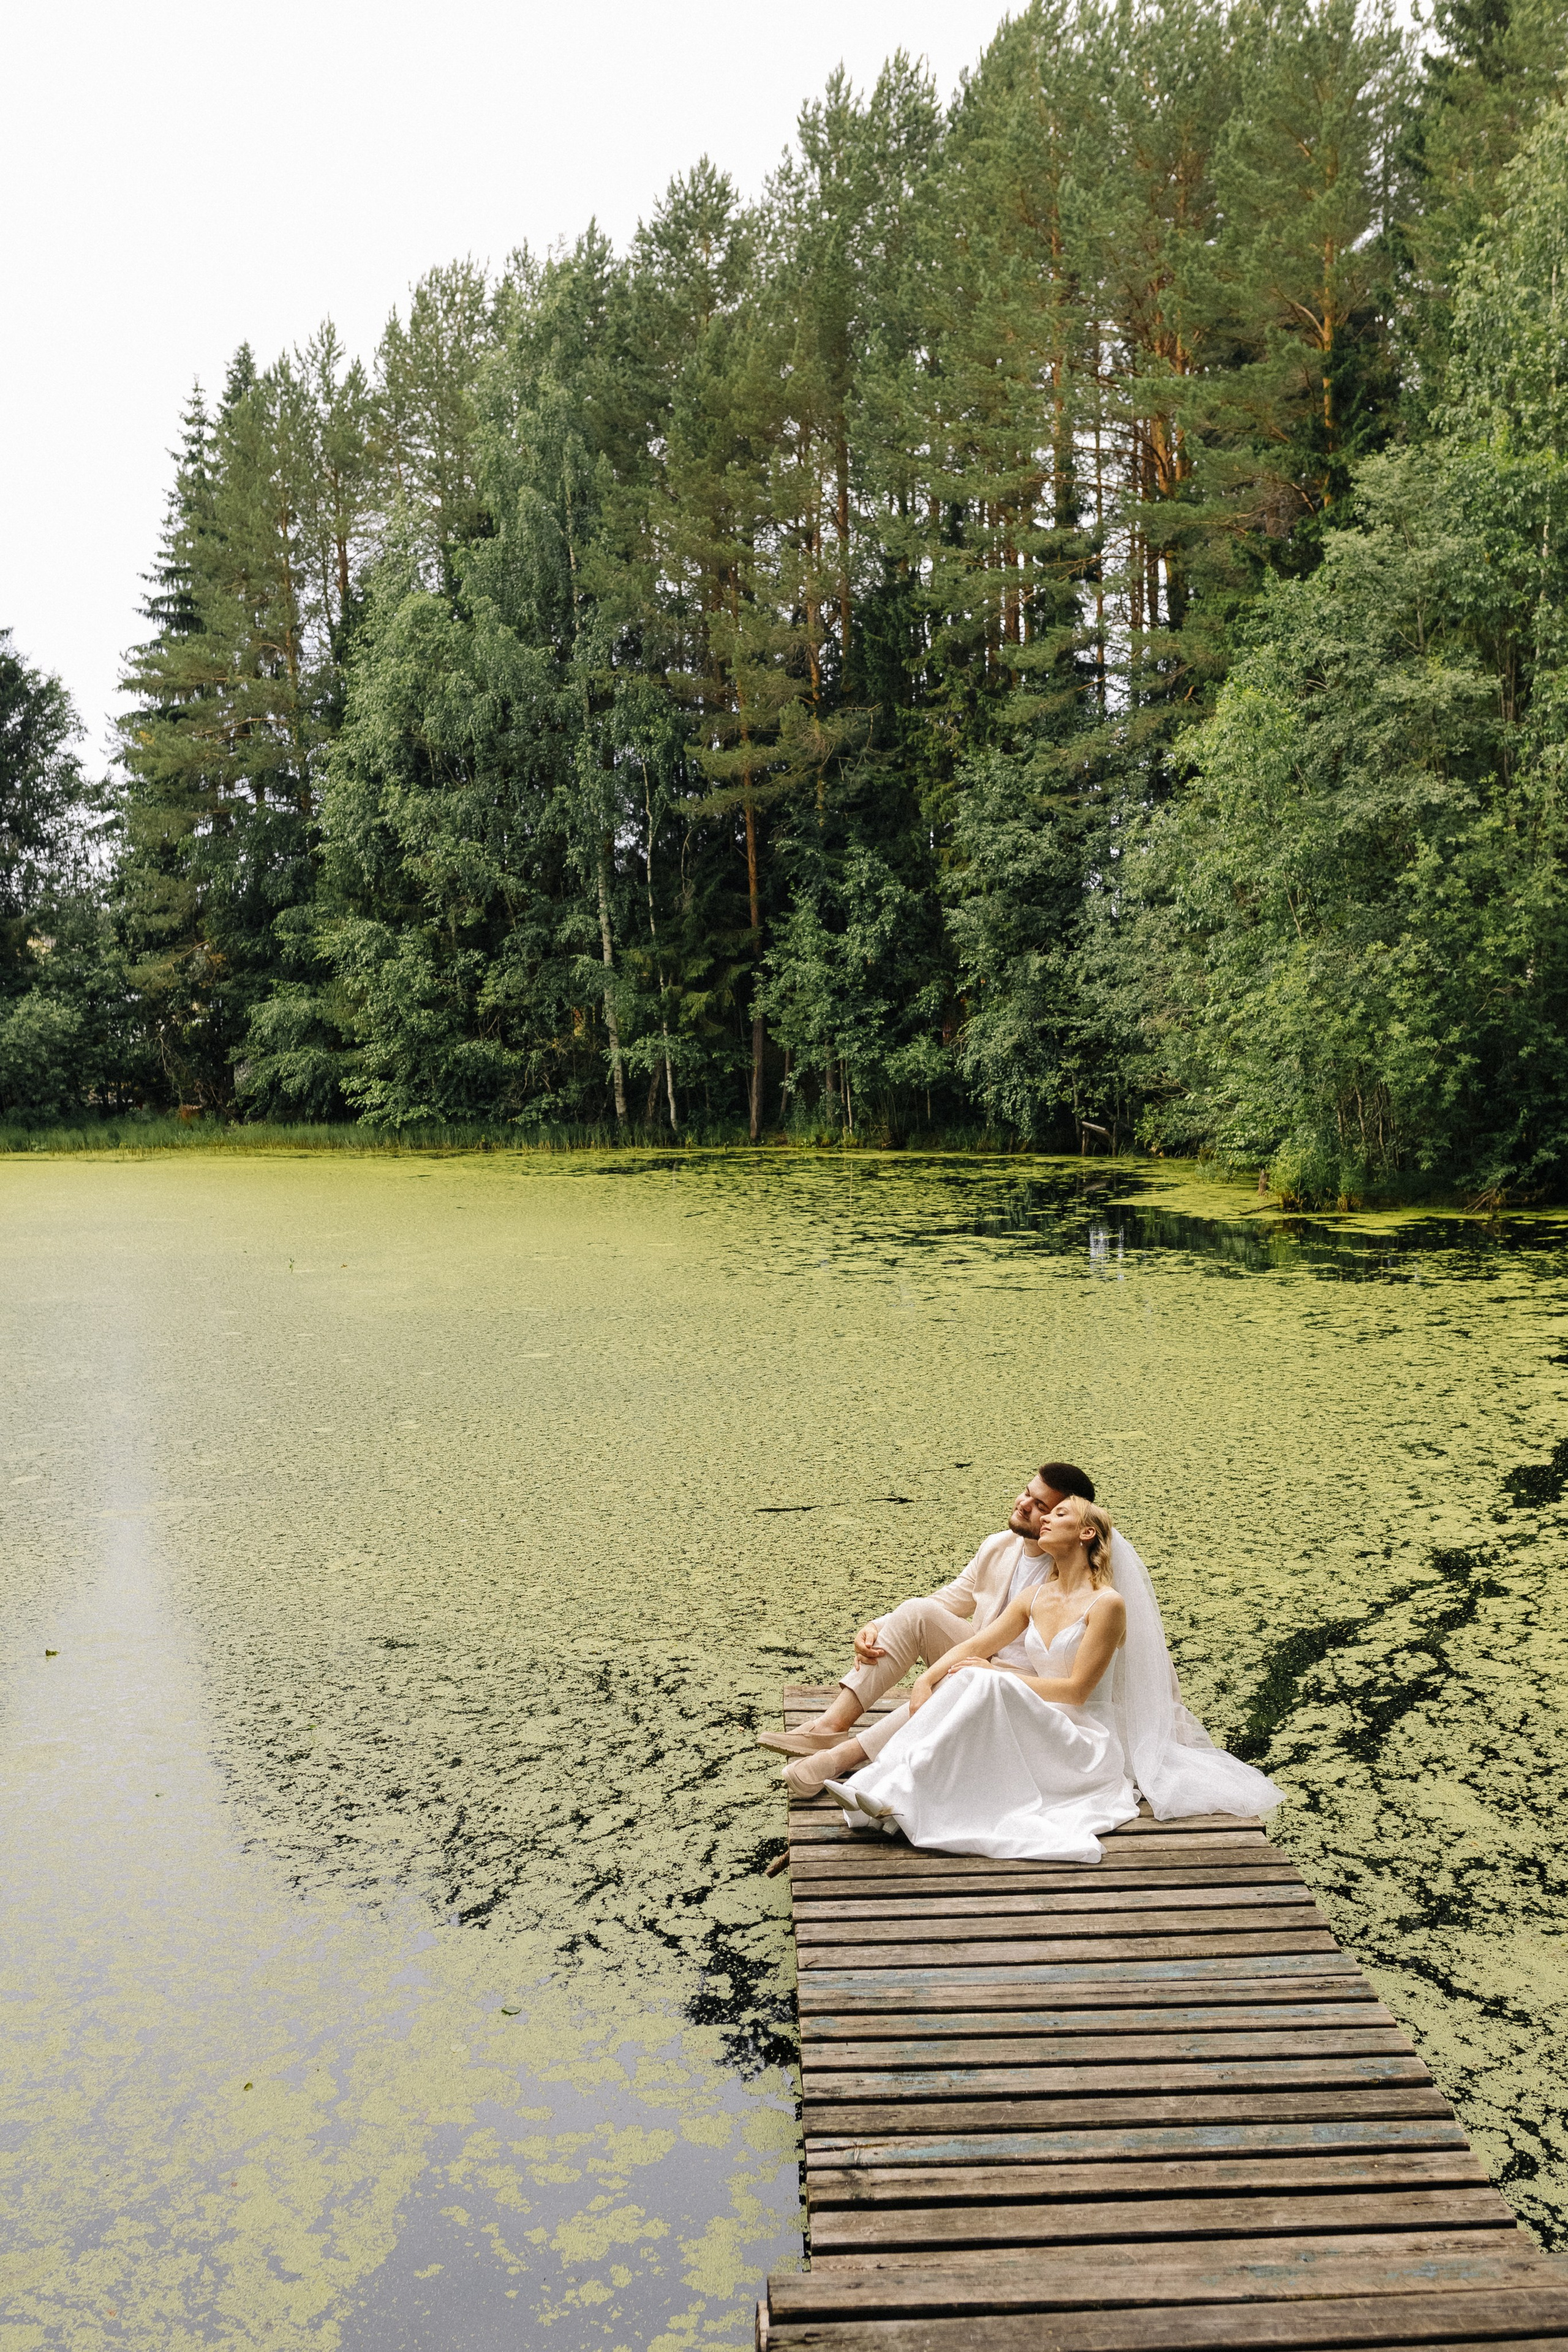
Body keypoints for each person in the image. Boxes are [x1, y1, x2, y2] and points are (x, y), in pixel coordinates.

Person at [777, 1493, 1283, 1863]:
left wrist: (994, 1676)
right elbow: (975, 1645)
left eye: (1060, 1513)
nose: (1045, 1518)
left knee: (982, 1680)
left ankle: (879, 1783)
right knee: (971, 1674)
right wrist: (928, 1678)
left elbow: (1076, 1691)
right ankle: (886, 1792)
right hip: (1029, 1712)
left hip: (1078, 1735)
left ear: (1086, 1534)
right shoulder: (1035, 1596)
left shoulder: (1107, 1604)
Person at [756, 1460, 1098, 1777]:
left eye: (1042, 1507)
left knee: (961, 1677)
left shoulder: (1076, 1574)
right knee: (917, 1612)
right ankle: (832, 1725)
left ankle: (847, 1756)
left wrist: (979, 1670)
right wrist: (879, 1626)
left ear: (1068, 1521)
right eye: (1027, 1492)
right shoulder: (999, 1547)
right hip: (981, 1654)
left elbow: (1079, 1675)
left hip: (1028, 1682)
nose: (1024, 1504)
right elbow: (951, 1599)